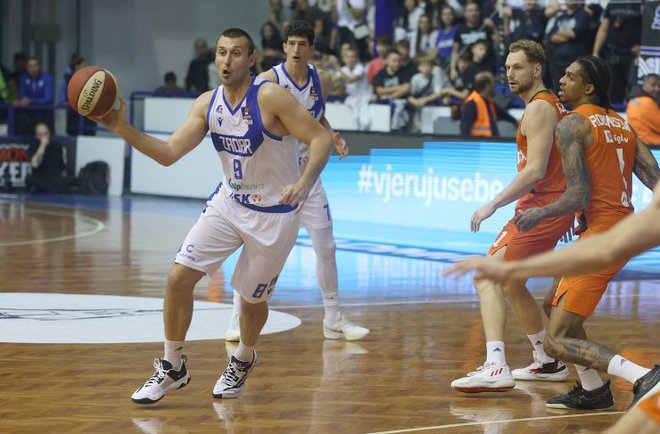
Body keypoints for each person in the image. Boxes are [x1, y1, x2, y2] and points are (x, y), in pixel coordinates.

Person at [93, 28, 334, 404]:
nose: (226, 60)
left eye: (236, 53)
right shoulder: (207, 103)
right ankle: (173, 366)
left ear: (251, 59)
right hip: (229, 204)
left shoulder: (271, 96)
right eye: (221, 52)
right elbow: (170, 152)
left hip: (275, 214)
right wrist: (123, 128)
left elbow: (321, 139)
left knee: (251, 302)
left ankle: (242, 358)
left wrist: (303, 183)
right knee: (177, 278)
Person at [447, 55, 660, 409]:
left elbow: (578, 194)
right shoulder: (623, 124)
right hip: (622, 229)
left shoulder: (573, 123)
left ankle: (642, 376)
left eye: (571, 76)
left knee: (556, 341)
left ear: (588, 88)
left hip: (602, 236)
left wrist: (543, 213)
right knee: (552, 307)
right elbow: (655, 180)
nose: (562, 80)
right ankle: (593, 389)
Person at [225, 20, 368, 342]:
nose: (296, 50)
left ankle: (333, 318)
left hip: (308, 176)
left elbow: (315, 118)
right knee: (255, 246)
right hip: (273, 177)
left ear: (312, 49)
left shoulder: (323, 80)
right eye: (291, 43)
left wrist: (331, 134)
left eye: (303, 44)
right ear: (284, 47)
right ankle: (236, 316)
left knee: (326, 246)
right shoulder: (267, 80)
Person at [450, 40, 573, 393]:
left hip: (538, 209)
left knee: (486, 276)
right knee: (512, 282)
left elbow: (534, 171)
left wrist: (492, 204)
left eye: (517, 67)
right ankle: (547, 361)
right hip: (547, 208)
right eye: (507, 68)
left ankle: (495, 365)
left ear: (537, 69)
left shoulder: (538, 108)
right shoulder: (549, 106)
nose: (510, 74)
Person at [460, 71, 517, 138]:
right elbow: (464, 128)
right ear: (487, 85)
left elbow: (502, 113)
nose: (495, 86)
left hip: (489, 143)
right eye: (493, 83)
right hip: (478, 145)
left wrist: (515, 121)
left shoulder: (488, 102)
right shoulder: (472, 103)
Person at [26, 122, 75, 193]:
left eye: (45, 134)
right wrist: (42, 146)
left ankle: (52, 189)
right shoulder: (33, 146)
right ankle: (55, 189)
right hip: (40, 178)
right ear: (36, 136)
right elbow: (35, 165)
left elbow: (62, 167)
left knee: (72, 180)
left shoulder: (57, 146)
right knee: (29, 179)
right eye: (40, 135)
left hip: (54, 178)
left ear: (49, 133)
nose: (44, 137)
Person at [13, 57, 54, 135]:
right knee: (20, 119)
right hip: (29, 115)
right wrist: (22, 101)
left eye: (35, 66)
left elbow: (48, 98)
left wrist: (31, 101)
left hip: (43, 115)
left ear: (39, 66)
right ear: (27, 68)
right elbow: (22, 97)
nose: (33, 69)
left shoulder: (47, 78)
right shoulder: (23, 78)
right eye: (30, 66)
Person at [626, 74, 660, 146]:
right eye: (653, 85)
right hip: (652, 146)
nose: (657, 89)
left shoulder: (633, 100)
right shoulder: (647, 102)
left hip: (639, 144)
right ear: (644, 85)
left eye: (659, 86)